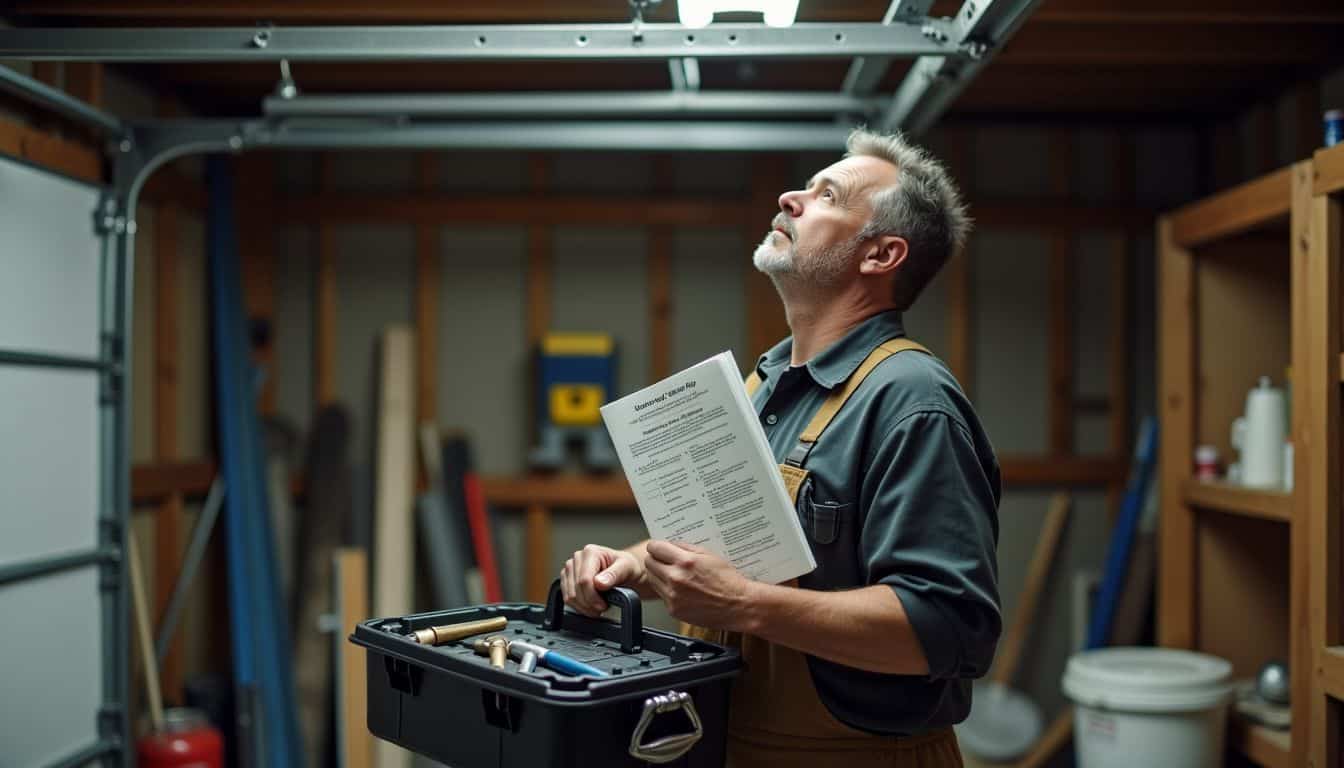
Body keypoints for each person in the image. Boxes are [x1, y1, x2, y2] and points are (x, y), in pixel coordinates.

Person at [560, 127, 1001, 768]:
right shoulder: (763, 385)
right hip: (724, 745)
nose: (789, 197)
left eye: (827, 194)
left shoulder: (912, 400)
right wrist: (635, 566)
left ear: (880, 255)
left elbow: (949, 628)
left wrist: (744, 605)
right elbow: (730, 553)